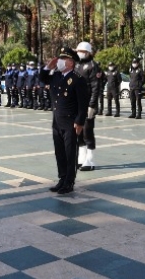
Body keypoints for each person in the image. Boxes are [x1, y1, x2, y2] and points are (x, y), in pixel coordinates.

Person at [39, 47, 88, 194]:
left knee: (70, 153)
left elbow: (83, 103)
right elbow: (42, 77)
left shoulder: (78, 80)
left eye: (63, 59)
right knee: (59, 152)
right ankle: (62, 178)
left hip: (70, 122)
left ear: (71, 63)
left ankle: (69, 182)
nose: (59, 61)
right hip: (57, 121)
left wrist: (79, 122)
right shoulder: (56, 76)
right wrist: (49, 66)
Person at [74, 41, 101, 171]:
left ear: (88, 52)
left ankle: (90, 160)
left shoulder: (93, 66)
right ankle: (82, 156)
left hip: (88, 104)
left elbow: (96, 87)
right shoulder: (76, 64)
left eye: (82, 51)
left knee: (87, 131)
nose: (79, 53)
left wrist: (92, 105)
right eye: (78, 51)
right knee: (78, 130)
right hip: (76, 103)